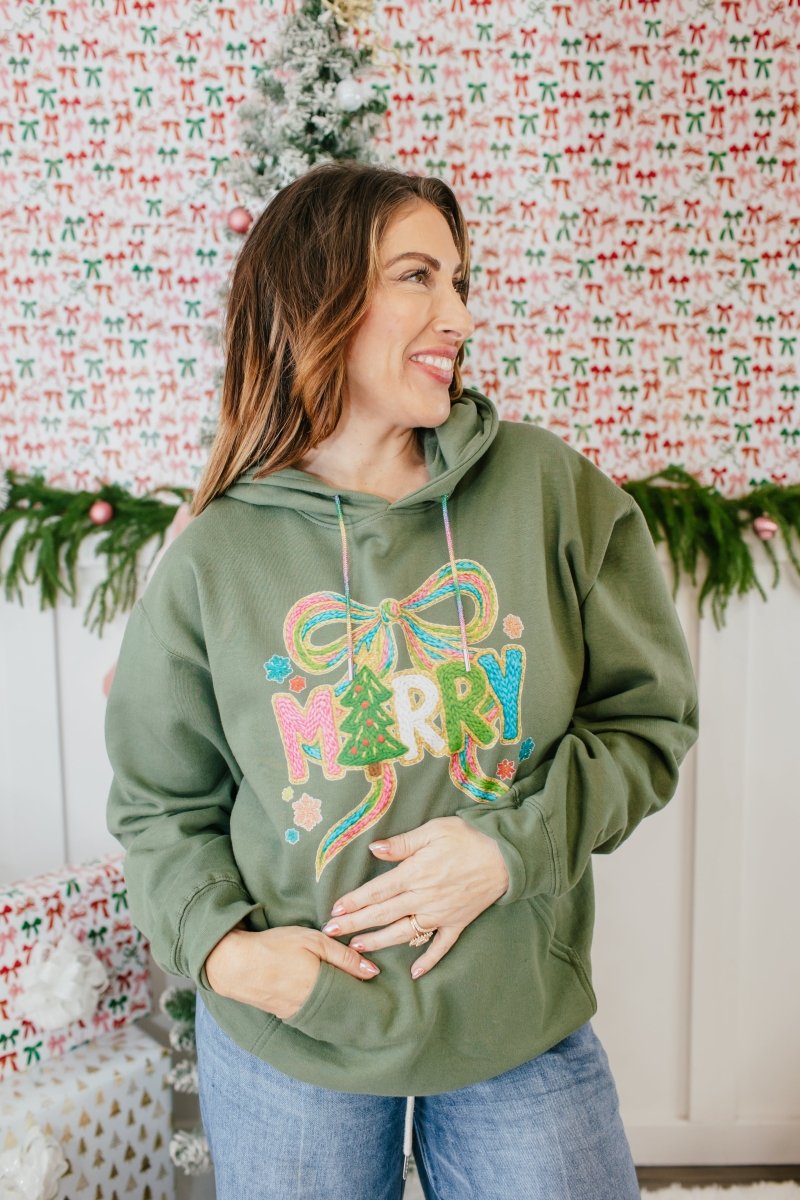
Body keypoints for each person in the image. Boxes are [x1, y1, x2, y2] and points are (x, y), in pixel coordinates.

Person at [105, 161, 699, 1200]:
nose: (458, 316)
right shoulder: (215, 554)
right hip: (293, 1029)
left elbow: (645, 726)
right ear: (315, 299)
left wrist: (508, 852)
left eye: (459, 282)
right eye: (418, 276)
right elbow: (162, 803)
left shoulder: (548, 492)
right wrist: (229, 956)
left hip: (513, 1013)